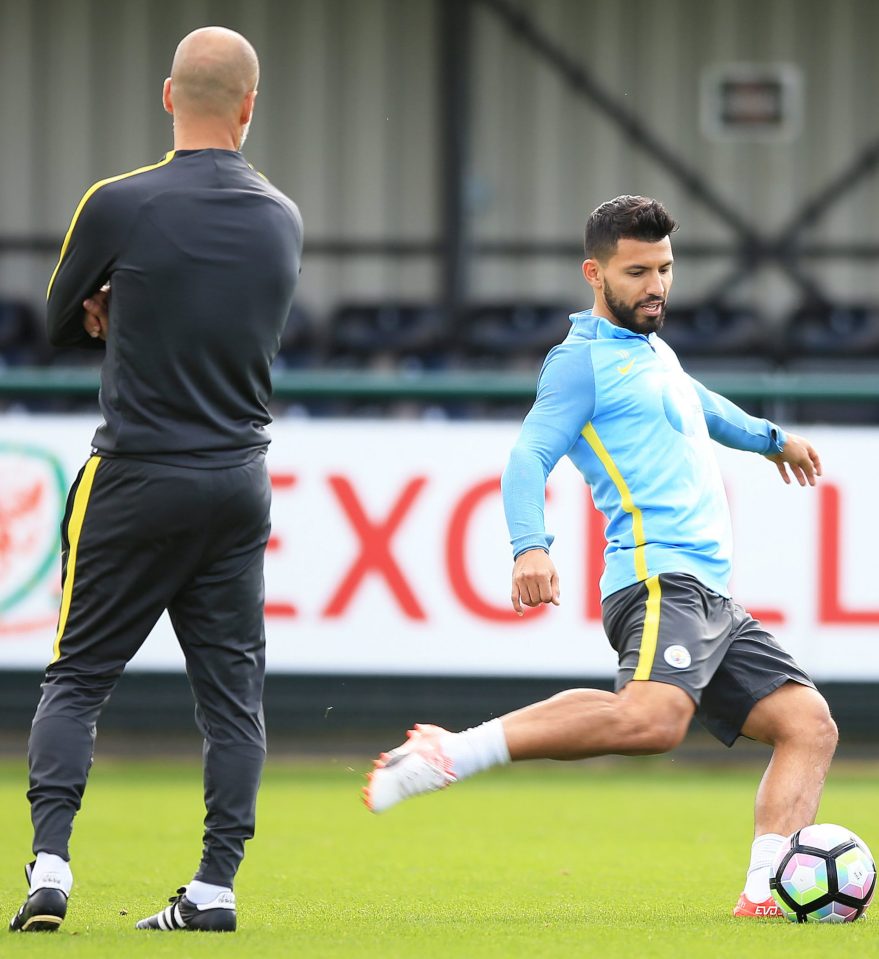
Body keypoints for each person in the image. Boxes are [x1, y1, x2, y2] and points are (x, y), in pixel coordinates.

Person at [364, 195, 837, 919]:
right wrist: (530, 544)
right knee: (650, 721)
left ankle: (765, 891)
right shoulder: (579, 361)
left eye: (666, 269)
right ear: (595, 273)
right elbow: (528, 454)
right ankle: (449, 752)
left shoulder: (653, 351)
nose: (656, 286)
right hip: (656, 578)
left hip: (708, 593)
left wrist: (775, 438)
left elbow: (703, 405)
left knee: (808, 725)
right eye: (637, 271)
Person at [9, 27, 303, 934]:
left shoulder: (118, 202)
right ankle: (215, 884)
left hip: (137, 472)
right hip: (238, 479)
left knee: (78, 678)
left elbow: (58, 319)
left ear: (168, 95)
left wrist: (111, 305)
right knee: (231, 696)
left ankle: (51, 868)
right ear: (250, 106)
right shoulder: (281, 216)